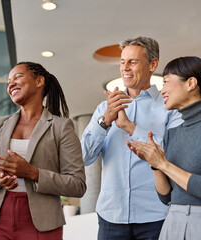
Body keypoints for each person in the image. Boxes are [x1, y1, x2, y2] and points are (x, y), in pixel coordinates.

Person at [81, 36, 183, 240]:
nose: (125, 68)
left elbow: (173, 155)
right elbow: (84, 157)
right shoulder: (104, 108)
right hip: (111, 217)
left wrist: (129, 126)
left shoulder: (169, 107)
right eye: (122, 62)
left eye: (133, 62)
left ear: (153, 64)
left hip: (155, 217)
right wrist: (105, 121)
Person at [0, 61, 86, 239]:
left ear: (39, 81)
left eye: (17, 77)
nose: (11, 84)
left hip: (43, 223)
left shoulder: (61, 127)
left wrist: (33, 173)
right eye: (8, 82)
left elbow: (77, 184)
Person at [127, 56, 201, 240]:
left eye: (167, 82)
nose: (162, 90)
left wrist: (164, 164)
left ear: (191, 83)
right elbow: (166, 197)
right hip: (172, 220)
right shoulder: (172, 133)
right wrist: (154, 164)